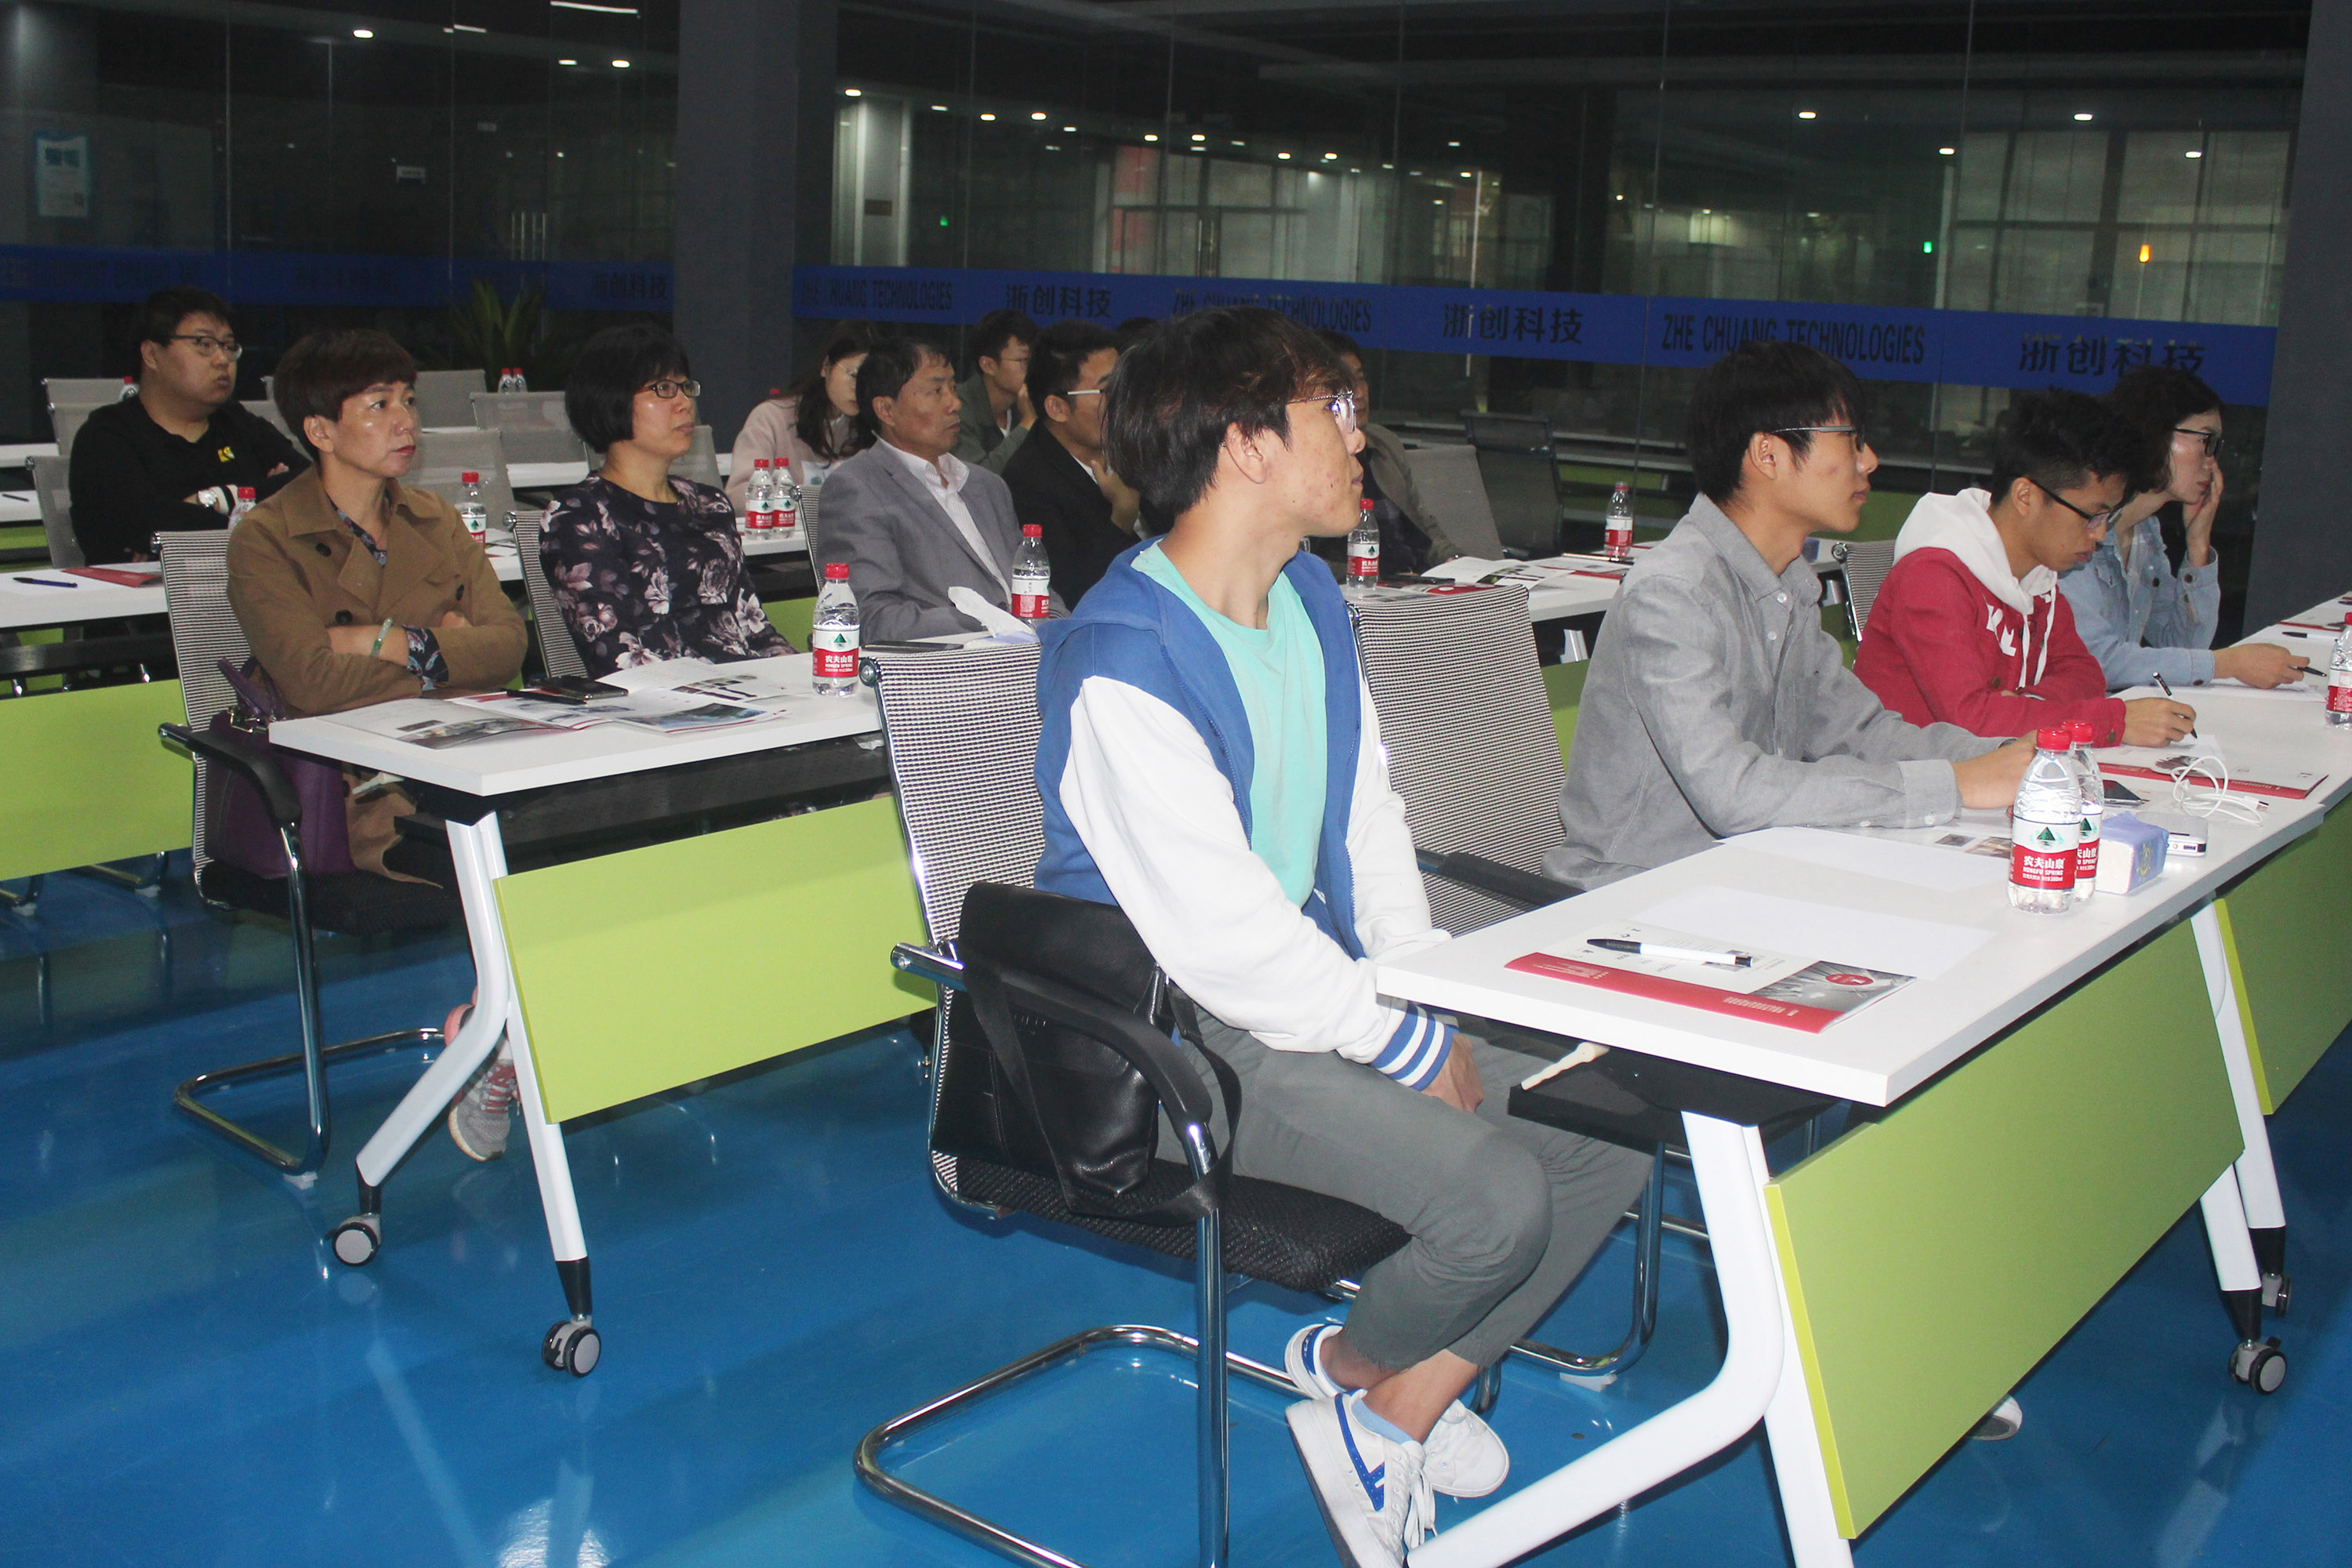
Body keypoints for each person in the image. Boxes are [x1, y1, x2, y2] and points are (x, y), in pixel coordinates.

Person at [1033, 306, 1651, 1565]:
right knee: (1497, 1200)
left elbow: (1369, 824)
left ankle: (1383, 1401)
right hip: (1170, 1043)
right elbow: (1223, 945)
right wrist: (1408, 1046)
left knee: (1613, 1130)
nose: (1360, 438)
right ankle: (1374, 1378)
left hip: (1308, 997)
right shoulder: (1122, 656)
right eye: (1337, 410)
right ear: (1246, 444)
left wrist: (1421, 1002)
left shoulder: (1307, 596)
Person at [1546, 339, 2036, 890]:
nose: (1869, 461)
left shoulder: (1788, 589)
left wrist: (2010, 757)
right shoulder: (1672, 595)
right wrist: (1955, 784)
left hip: (1748, 874)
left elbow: (1863, 734)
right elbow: (1734, 794)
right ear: (1768, 455)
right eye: (1850, 439)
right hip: (1632, 894)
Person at [226, 328, 528, 1159]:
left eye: (408, 401)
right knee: (518, 851)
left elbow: (507, 644)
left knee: (596, 829)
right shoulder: (266, 537)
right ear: (319, 430)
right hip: (362, 783)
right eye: (379, 405)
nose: (406, 421)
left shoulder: (434, 518)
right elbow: (309, 681)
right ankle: (498, 1041)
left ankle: (499, 1026)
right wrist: (444, 646)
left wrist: (385, 641)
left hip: (473, 745)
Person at [1855, 389, 2198, 746]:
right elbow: (1972, 722)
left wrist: (2025, 706)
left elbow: (2085, 675)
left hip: (1984, 764)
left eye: (2107, 518)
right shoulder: (1933, 576)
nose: (2099, 535)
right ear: (2026, 497)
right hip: (1911, 769)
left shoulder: (2036, 578)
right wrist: (2111, 722)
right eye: (2091, 516)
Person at [541, 325, 796, 677]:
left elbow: (756, 629)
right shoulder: (579, 515)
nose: (684, 403)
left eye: (686, 387)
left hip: (750, 690)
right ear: (611, 399)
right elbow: (616, 657)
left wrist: (801, 676)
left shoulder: (710, 504)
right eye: (663, 389)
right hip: (670, 700)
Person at [2060, 367, 2304, 691]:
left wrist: (2198, 545)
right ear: (2156, 433)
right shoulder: (2077, 527)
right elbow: (2096, 663)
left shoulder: (2145, 531)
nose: (2212, 462)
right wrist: (2229, 663)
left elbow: (2182, 644)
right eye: (2205, 441)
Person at [812, 336, 1065, 641]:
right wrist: (989, 619)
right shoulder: (858, 488)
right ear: (886, 410)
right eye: (936, 391)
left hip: (1027, 648)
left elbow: (1034, 587)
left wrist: (1058, 624)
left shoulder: (987, 485)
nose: (955, 403)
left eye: (953, 389)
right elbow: (869, 617)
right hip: (950, 658)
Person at [69, 286, 305, 563]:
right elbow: (149, 522)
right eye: (204, 344)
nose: (223, 360)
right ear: (151, 354)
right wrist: (268, 506)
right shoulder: (107, 436)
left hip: (247, 581)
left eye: (229, 346)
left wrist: (219, 498)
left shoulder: (237, 423)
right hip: (145, 590)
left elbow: (311, 485)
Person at [999, 319, 1139, 607]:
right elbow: (1069, 597)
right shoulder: (1029, 483)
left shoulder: (1134, 447)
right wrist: (1121, 518)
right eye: (1108, 391)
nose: (1126, 400)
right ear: (1058, 408)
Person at [1312, 329, 1458, 575]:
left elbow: (1425, 528)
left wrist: (1459, 562)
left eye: (1361, 379)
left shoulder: (1385, 444)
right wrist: (1380, 578)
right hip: (1358, 587)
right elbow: (1306, 561)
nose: (1359, 393)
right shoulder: (1307, 463)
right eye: (1346, 384)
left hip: (1418, 581)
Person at [724, 318, 876, 510]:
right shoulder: (772, 419)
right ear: (826, 366)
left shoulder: (872, 428)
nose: (860, 389)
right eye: (853, 376)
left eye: (870, 380)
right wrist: (794, 503)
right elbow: (738, 495)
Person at [951, 308, 1036, 474]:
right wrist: (1026, 425)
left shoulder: (1026, 405)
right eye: (1024, 360)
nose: (1034, 368)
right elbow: (979, 479)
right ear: (988, 365)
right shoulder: (956, 408)